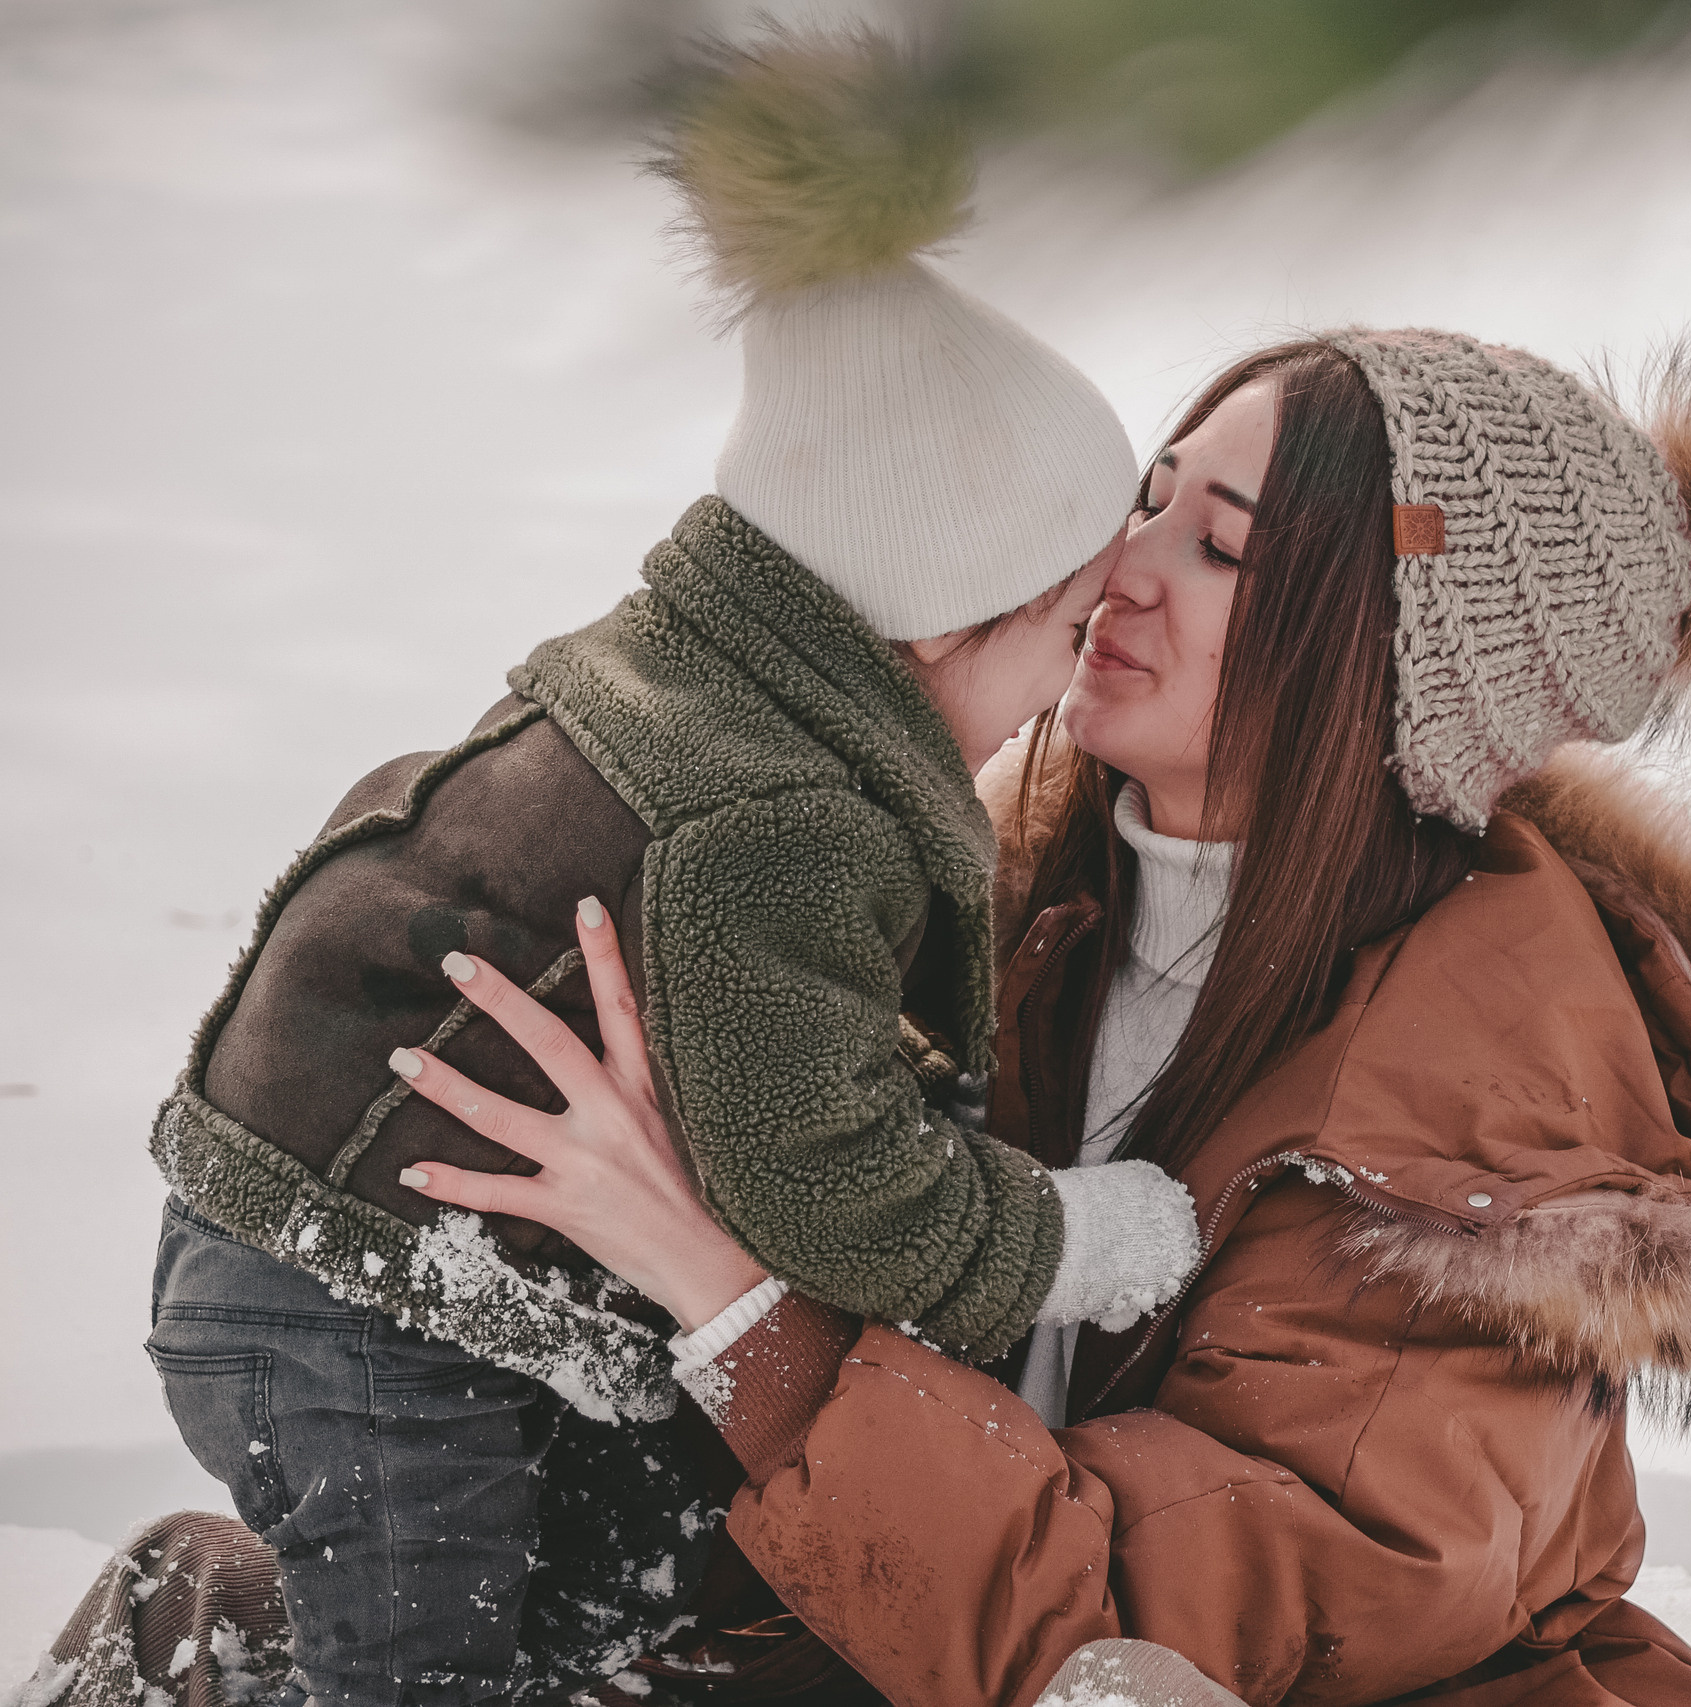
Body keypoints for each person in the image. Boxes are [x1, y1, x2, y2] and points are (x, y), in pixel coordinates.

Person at [378, 326, 1691, 1707]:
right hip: (897, 1618)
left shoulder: (1493, 1119)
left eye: (1223, 550)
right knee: (247, 1614)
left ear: (1386, 667)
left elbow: (1128, 1651)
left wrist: (721, 1292)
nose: (1115, 566)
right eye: (1151, 498)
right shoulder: (1015, 881)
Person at [109, 33, 1201, 1707]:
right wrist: (1077, 1242)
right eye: (1064, 625)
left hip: (363, 1274)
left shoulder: (690, 687)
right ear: (940, 618)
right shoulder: (778, 815)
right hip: (360, 1313)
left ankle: (204, 1654)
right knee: (422, 1674)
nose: (1073, 672)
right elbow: (831, 1179)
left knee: (590, 1617)